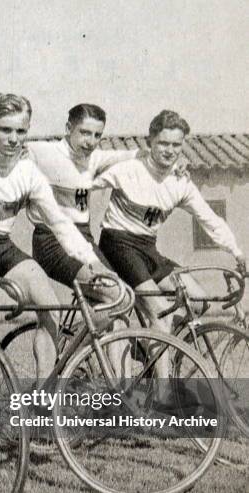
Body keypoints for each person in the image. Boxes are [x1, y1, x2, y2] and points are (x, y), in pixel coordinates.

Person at [0, 93, 104, 380]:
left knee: (50, 308)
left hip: (1, 249)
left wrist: (93, 264)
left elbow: (60, 223)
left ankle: (43, 395)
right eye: (5, 129)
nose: (14, 138)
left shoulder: (28, 171)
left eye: (21, 131)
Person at [96, 109, 246, 339]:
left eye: (176, 145)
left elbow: (209, 219)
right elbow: (82, 182)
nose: (170, 151)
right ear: (150, 142)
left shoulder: (180, 182)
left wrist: (237, 252)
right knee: (161, 315)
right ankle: (160, 364)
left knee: (199, 302)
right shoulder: (128, 170)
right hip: (118, 245)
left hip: (147, 248)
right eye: (163, 143)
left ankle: (150, 343)